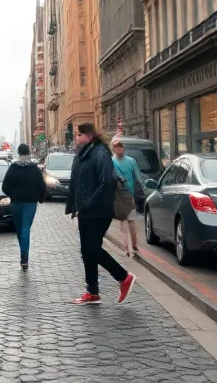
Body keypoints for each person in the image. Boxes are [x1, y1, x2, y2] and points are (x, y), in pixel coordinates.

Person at [65, 123, 135, 306]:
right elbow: (79, 182)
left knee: (92, 249)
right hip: (86, 212)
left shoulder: (100, 153)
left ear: (89, 136)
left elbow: (107, 183)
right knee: (86, 251)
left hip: (98, 211)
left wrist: (87, 204)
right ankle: (92, 291)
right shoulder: (83, 154)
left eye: (79, 135)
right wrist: (75, 205)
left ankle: (124, 277)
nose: (76, 138)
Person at [1, 142, 46, 269]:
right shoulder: (34, 168)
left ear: (19, 153)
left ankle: (24, 256)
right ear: (29, 153)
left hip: (16, 203)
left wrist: (13, 195)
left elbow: (5, 186)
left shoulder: (13, 167)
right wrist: (41, 198)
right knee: (25, 228)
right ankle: (24, 257)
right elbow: (41, 185)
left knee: (20, 228)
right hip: (30, 204)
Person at [111, 138, 143, 259]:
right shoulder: (111, 161)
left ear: (124, 148)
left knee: (130, 220)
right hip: (118, 195)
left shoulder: (131, 161)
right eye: (116, 147)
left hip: (128, 195)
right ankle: (127, 247)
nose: (119, 149)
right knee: (124, 221)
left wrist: (144, 188)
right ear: (113, 149)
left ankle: (133, 246)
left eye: (121, 147)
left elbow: (139, 177)